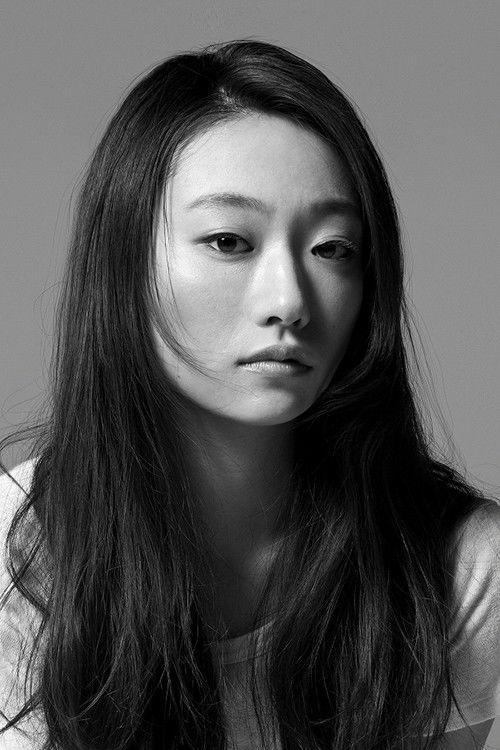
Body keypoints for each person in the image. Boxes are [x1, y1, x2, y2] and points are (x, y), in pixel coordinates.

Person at [0, 38, 498, 750]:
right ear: (123, 264)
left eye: (332, 249)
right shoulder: (18, 556)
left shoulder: (454, 564)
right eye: (229, 241)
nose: (289, 300)